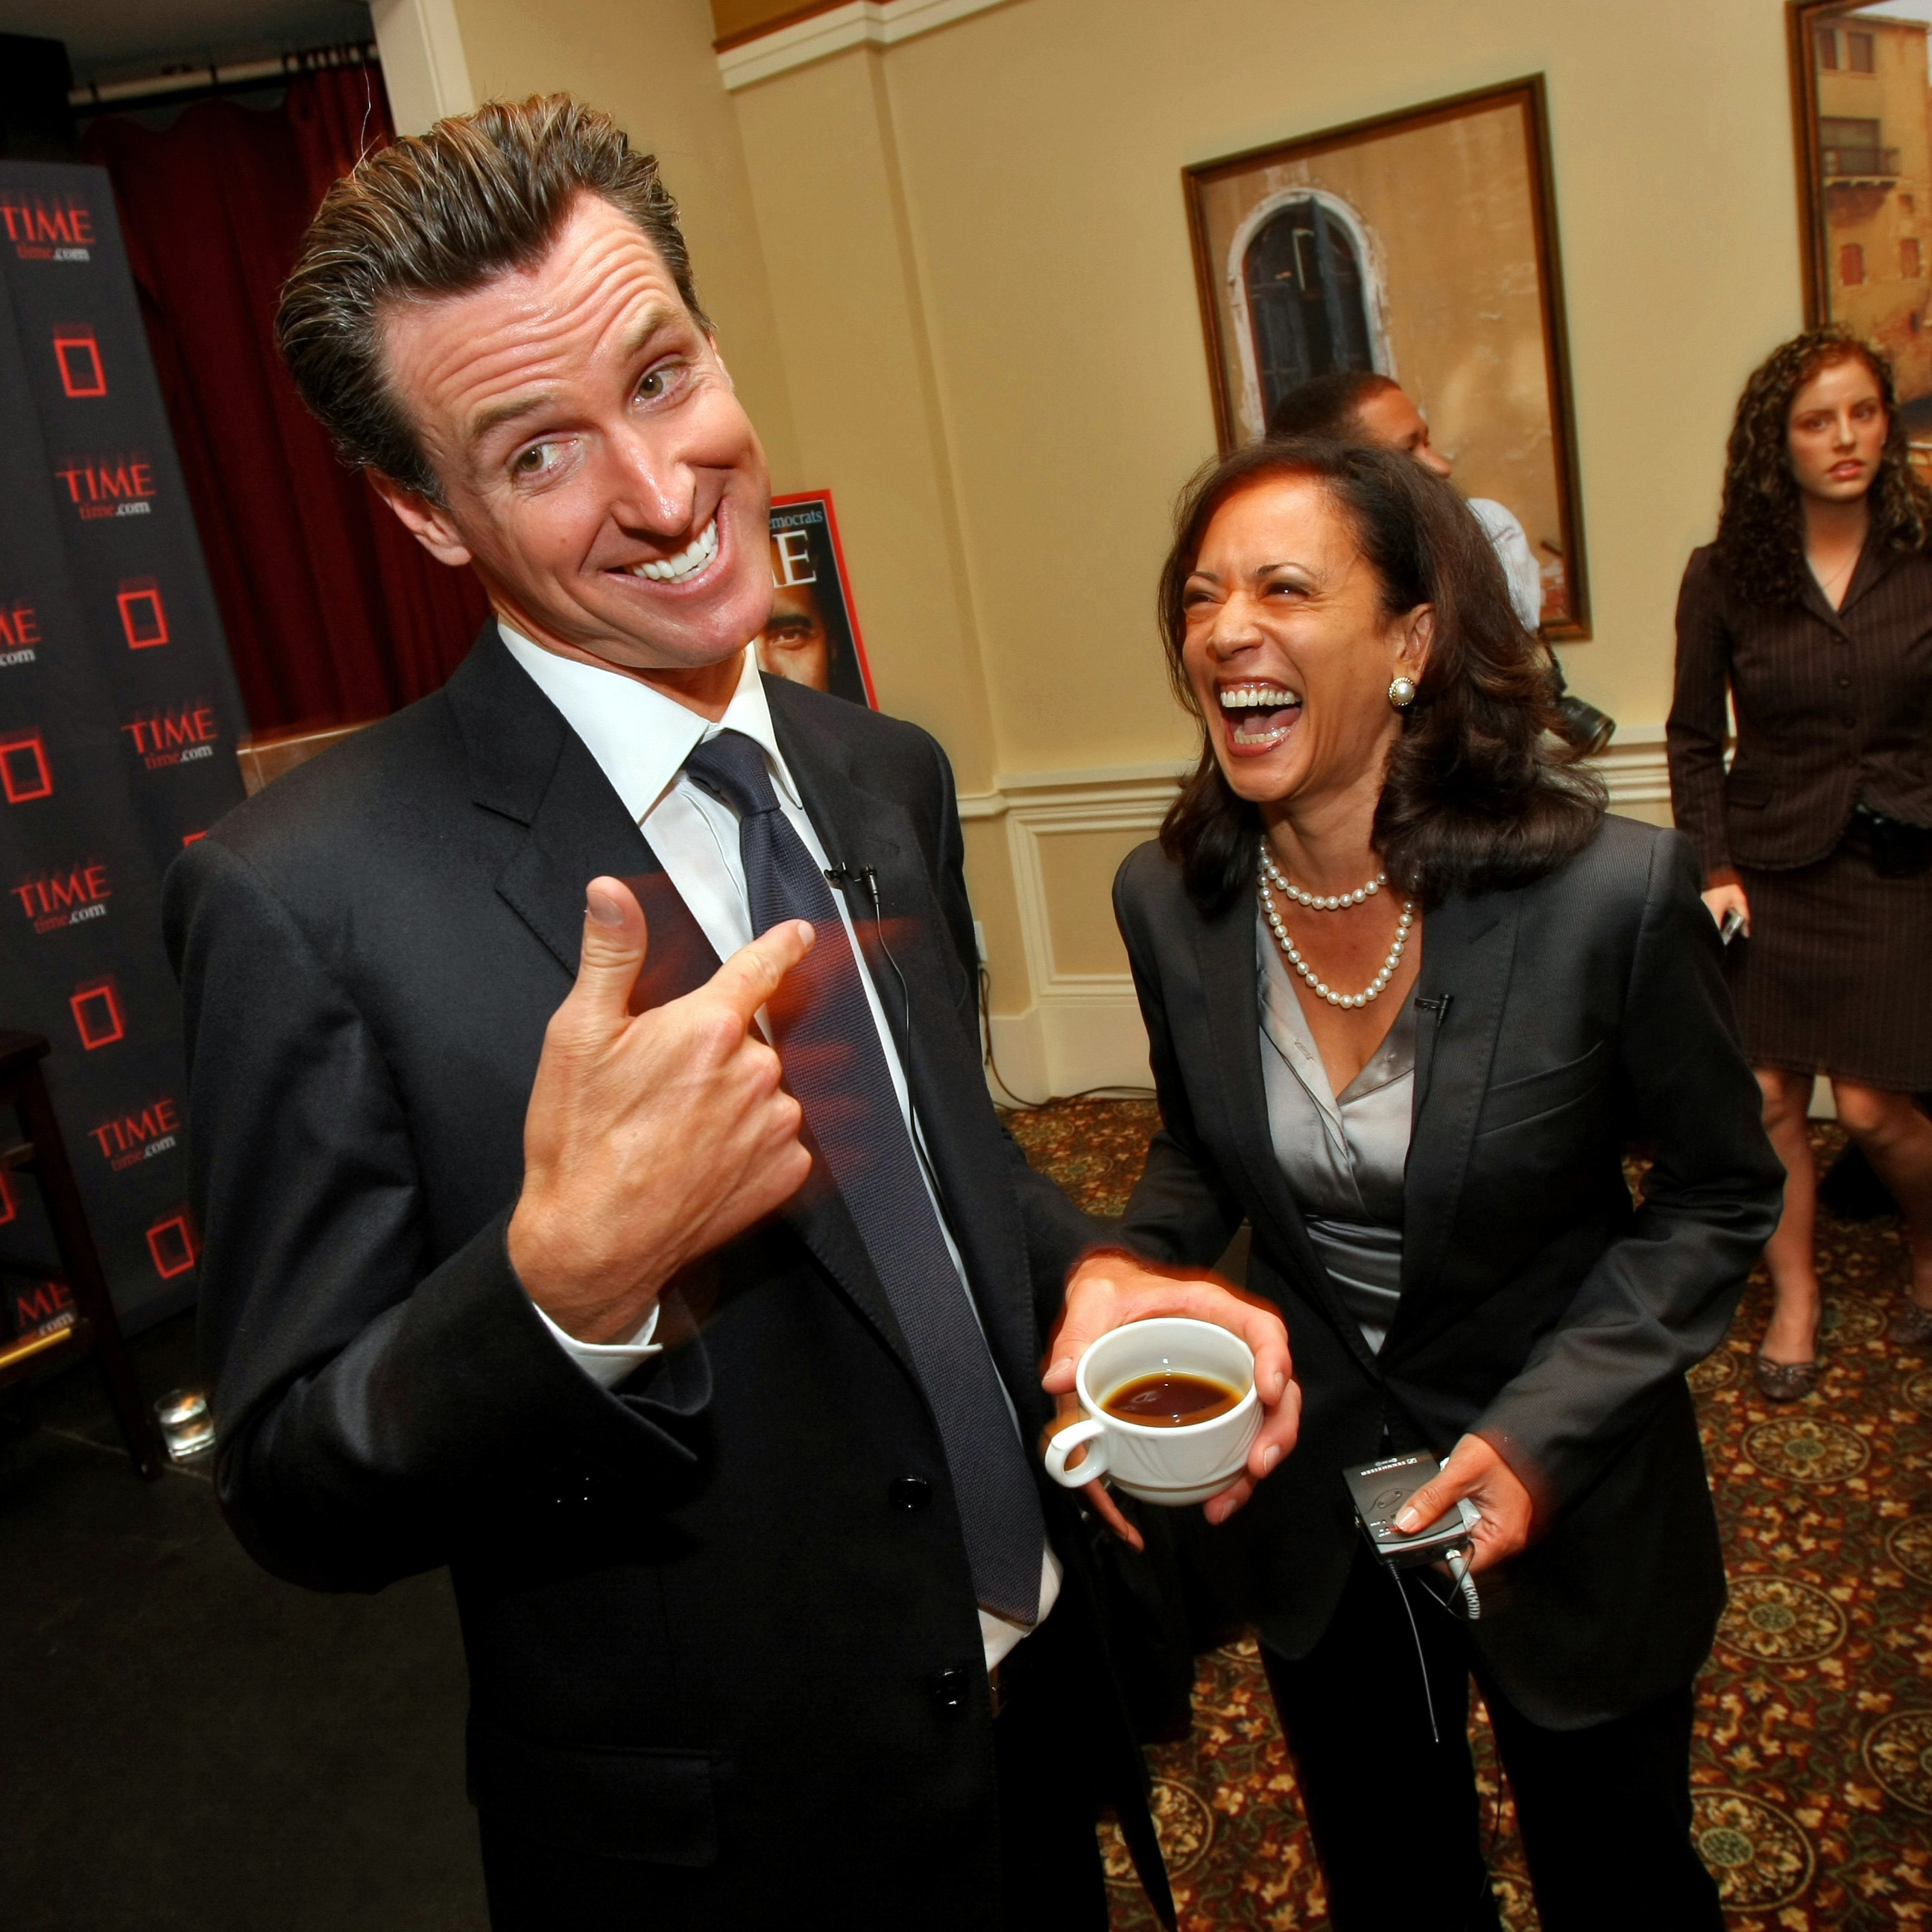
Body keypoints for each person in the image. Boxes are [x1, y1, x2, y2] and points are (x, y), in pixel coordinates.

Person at [164, 98, 1301, 1929]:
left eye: (664, 372)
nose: (662, 483)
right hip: (732, 1853)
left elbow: (929, 1165)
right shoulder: (299, 900)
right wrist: (561, 1291)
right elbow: (296, 1483)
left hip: (1025, 1725)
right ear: (420, 512)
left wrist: (1082, 1264)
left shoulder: (878, 770)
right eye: (537, 453)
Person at [1108, 435, 1782, 1930]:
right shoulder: (1173, 901)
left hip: (1574, 1496)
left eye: (1286, 587)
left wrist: (1542, 1436)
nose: (1228, 630)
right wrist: (1121, 1273)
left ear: (1411, 641)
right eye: (1203, 597)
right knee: (1394, 1886)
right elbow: (1190, 1151)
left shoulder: (1609, 896)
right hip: (1317, 1515)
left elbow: (1717, 1197)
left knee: (1623, 1886)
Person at [1669, 326, 1932, 1395]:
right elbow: (1693, 739)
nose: (1846, 438)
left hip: (1900, 859)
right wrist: (1713, 866)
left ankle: (1926, 1240)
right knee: (1772, 1094)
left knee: (1873, 1109)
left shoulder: (1926, 555)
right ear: (1776, 442)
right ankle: (1797, 1294)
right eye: (1817, 420)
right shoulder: (1725, 573)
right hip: (1771, 865)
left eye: (1864, 413)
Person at [1266, 370, 1615, 755]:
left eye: (1428, 442)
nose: (1440, 466)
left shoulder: (1487, 537)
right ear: (1340, 477)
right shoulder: (1278, 579)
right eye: (1409, 452)